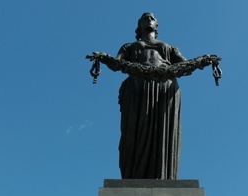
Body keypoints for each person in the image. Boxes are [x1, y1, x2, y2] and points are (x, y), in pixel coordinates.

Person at [87, 13, 219, 180]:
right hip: (137, 87)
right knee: (132, 135)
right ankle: (132, 177)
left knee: (163, 133)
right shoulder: (129, 47)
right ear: (139, 26)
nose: (149, 17)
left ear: (157, 25)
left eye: (152, 17)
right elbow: (116, 64)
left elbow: (186, 66)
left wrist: (203, 60)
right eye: (145, 17)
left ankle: (164, 177)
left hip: (166, 87)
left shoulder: (170, 48)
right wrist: (104, 58)